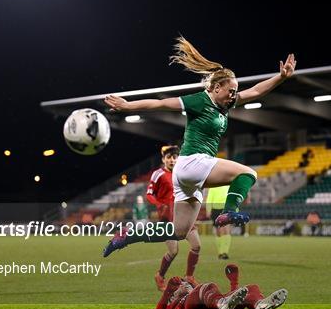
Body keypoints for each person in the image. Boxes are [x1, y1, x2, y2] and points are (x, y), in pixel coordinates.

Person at [103, 36, 296, 257]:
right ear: (215, 87)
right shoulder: (200, 100)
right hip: (193, 162)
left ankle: (130, 234)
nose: (233, 95)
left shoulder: (224, 104)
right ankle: (229, 213)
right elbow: (162, 104)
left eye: (235, 91)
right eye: (230, 90)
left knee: (179, 231)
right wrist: (128, 106)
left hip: (188, 172)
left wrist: (280, 77)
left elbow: (255, 92)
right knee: (248, 173)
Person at [151, 264, 288, 309]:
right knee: (208, 288)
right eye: (182, 283)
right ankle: (222, 304)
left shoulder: (198, 293)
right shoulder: (172, 302)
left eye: (185, 283)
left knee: (250, 288)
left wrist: (234, 282)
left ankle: (260, 304)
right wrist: (168, 291)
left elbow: (235, 298)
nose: (184, 284)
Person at [147, 145, 201, 290]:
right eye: (169, 157)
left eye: (174, 157)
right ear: (163, 159)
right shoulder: (158, 174)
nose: (172, 160)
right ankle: (160, 276)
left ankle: (189, 277)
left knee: (196, 245)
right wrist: (159, 205)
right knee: (173, 251)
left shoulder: (182, 174)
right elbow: (149, 194)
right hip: (167, 220)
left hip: (185, 217)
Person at [205, 185, 231, 259]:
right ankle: (220, 252)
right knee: (219, 232)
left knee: (226, 230)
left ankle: (224, 252)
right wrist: (208, 210)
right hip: (215, 210)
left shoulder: (229, 186)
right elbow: (209, 199)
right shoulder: (213, 187)